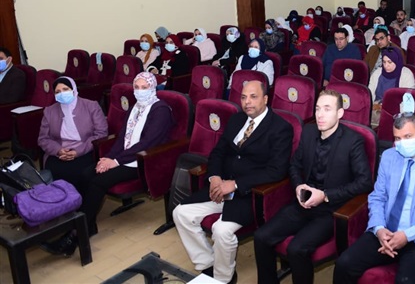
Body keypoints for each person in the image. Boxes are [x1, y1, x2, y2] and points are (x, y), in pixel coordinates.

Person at [42, 72, 175, 257]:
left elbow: (147, 143)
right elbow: (122, 138)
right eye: (136, 87)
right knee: (86, 174)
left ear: (153, 88)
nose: (140, 91)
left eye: (144, 87)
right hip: (125, 157)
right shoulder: (135, 107)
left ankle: (75, 235)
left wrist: (116, 161)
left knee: (98, 182)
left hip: (144, 160)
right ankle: (88, 226)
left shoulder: (161, 110)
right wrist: (107, 158)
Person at [174, 80, 293, 284]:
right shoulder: (237, 119)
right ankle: (207, 263)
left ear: (265, 99)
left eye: (253, 97)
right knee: (181, 213)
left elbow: (276, 171)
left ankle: (224, 277)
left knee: (221, 231)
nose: (247, 102)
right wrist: (214, 177)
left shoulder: (281, 128)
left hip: (250, 194)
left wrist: (236, 184)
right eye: (244, 97)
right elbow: (218, 152)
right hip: (221, 187)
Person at [253, 90, 372, 284]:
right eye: (317, 109)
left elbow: (364, 182)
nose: (320, 115)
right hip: (303, 202)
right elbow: (294, 165)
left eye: (327, 109)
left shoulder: (353, 141)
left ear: (340, 113)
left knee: (296, 249)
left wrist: (325, 195)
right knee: (261, 237)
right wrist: (298, 185)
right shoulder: (308, 132)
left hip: (330, 210)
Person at [333, 112, 415, 283]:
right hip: (386, 231)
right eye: (397, 138)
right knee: (344, 264)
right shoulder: (389, 157)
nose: (402, 143)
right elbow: (378, 197)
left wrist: (407, 235)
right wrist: (379, 229)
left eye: (408, 137)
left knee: (405, 281)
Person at [37, 76, 108, 191]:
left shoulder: (91, 106)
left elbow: (101, 133)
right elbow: (43, 139)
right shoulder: (49, 111)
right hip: (59, 152)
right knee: (54, 170)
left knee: (78, 171)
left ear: (74, 89)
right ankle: (60, 199)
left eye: (65, 89)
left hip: (86, 149)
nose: (62, 93)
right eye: (58, 92)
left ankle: (79, 200)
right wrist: (58, 150)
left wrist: (77, 151)